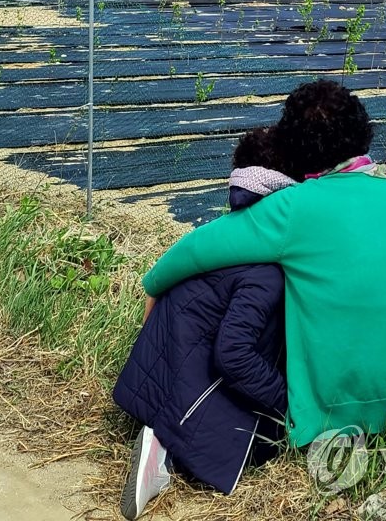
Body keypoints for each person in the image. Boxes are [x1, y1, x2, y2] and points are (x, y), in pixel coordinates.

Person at [143, 80, 386, 449]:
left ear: (292, 147)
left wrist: (153, 285)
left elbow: (201, 247)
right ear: (364, 134)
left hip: (341, 412)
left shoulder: (295, 206)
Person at [113, 126, 295, 520]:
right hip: (193, 380)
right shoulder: (267, 270)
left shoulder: (219, 237)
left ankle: (160, 429)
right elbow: (233, 354)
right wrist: (287, 403)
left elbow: (155, 290)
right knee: (269, 441)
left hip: (163, 365)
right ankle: (163, 453)